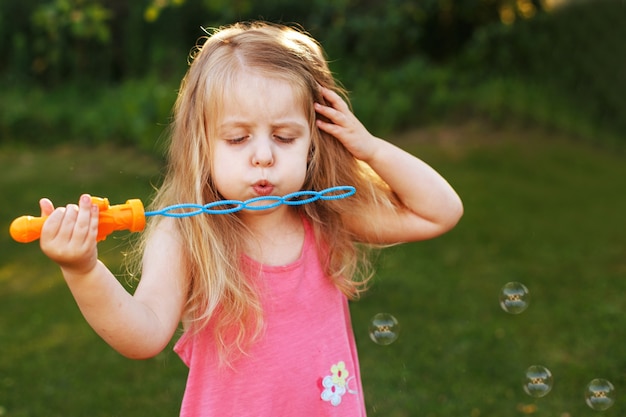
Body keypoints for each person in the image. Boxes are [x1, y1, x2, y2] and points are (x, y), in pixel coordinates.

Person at [37, 21, 463, 416]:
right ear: (201, 145)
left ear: (313, 141)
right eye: (238, 138)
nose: (264, 155)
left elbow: (439, 213)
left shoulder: (324, 215)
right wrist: (82, 269)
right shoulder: (186, 234)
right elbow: (143, 336)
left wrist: (369, 148)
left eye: (284, 136)